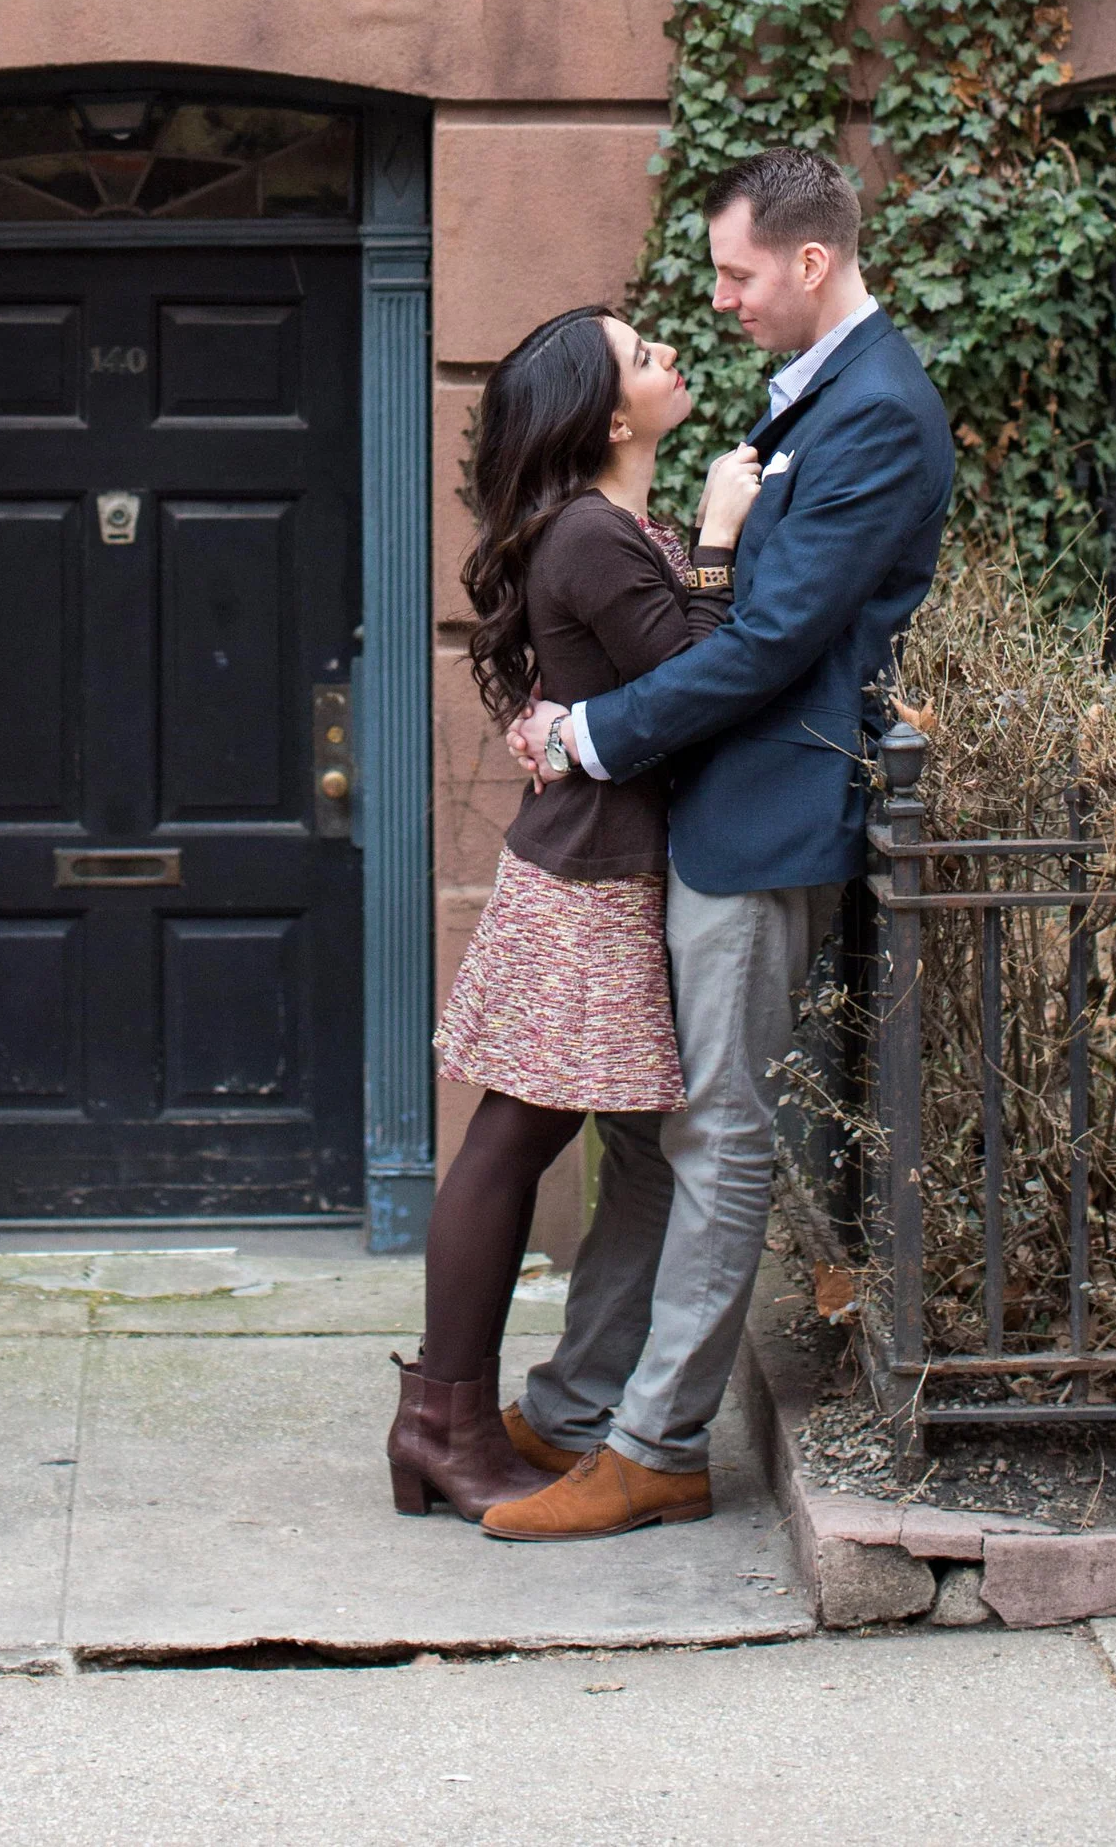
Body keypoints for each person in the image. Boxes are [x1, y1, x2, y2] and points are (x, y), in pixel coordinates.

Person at [483, 148, 953, 1543]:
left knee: (719, 1130)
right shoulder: (812, 391)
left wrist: (590, 735)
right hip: (715, 808)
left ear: (812, 262)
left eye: (739, 274)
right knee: (648, 1131)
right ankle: (578, 1407)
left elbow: (765, 642)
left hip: (765, 822)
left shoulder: (877, 411)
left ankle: (656, 1442)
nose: (723, 300)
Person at [386, 305, 755, 1522]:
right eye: (644, 353)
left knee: (541, 1142)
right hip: (587, 884)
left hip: (596, 866)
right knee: (511, 1143)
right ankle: (440, 1419)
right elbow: (692, 681)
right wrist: (714, 537)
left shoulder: (600, 525)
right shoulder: (597, 533)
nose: (668, 356)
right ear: (606, 415)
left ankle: (488, 1412)